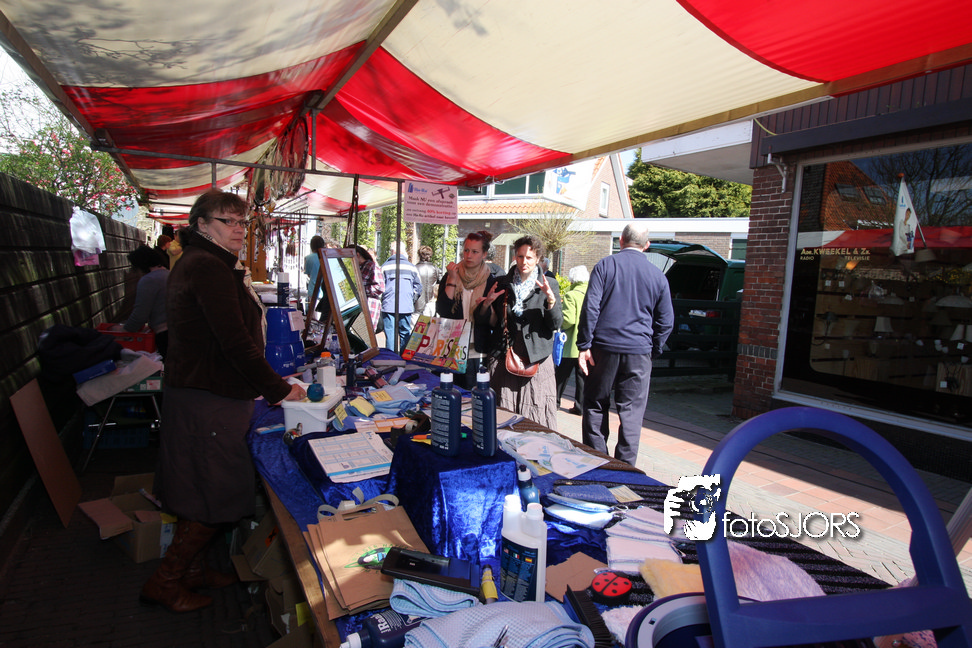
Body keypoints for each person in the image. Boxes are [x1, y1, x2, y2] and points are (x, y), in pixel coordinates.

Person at [141, 189, 305, 613]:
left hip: (206, 391)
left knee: (201, 488)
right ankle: (166, 581)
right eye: (228, 221)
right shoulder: (207, 267)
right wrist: (279, 389)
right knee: (215, 491)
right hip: (209, 396)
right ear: (202, 224)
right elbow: (234, 342)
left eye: (242, 222)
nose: (238, 229)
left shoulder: (208, 262)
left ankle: (192, 570)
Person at [577, 223, 674, 466]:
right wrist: (653, 349)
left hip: (603, 349)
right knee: (631, 414)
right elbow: (666, 321)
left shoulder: (605, 266)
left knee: (595, 404)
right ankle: (625, 469)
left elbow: (591, 307)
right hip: (639, 350)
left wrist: (584, 345)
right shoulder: (658, 276)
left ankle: (597, 462)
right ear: (647, 245)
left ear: (621, 240)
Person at [479, 235, 562, 430]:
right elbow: (491, 322)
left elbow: (555, 324)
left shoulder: (549, 284)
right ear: (515, 256)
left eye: (529, 257)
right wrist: (487, 305)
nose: (524, 262)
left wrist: (550, 301)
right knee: (502, 415)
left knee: (535, 414)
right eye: (520, 256)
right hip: (503, 356)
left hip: (536, 359)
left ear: (538, 258)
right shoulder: (501, 283)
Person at [435, 231, 498, 388]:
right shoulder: (451, 274)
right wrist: (452, 279)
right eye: (466, 250)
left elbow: (492, 321)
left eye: (475, 252)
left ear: (484, 254)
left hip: (477, 349)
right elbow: (442, 310)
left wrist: (486, 305)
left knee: (472, 393)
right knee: (450, 391)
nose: (469, 255)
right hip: (451, 346)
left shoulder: (491, 280)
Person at [120, 245, 170, 359]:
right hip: (178, 330)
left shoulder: (149, 280)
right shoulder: (169, 274)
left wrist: (124, 330)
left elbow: (140, 314)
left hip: (165, 334)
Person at [554, 265, 589, 416]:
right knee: (582, 378)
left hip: (571, 344)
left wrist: (558, 322)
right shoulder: (592, 293)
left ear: (572, 280)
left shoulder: (571, 295)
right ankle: (580, 406)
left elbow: (568, 320)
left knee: (561, 376)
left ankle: (554, 402)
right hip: (586, 344)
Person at [380, 244, 422, 352]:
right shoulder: (411, 267)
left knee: (390, 333)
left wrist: (383, 299)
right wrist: (411, 299)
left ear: (392, 252)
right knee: (405, 333)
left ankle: (391, 358)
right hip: (406, 305)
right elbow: (418, 287)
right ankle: (404, 357)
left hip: (388, 305)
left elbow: (380, 286)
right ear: (403, 252)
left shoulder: (385, 267)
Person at [354, 245, 384, 333]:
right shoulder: (359, 266)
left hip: (370, 305)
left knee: (366, 333)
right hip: (361, 305)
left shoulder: (370, 265)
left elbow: (380, 287)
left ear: (357, 255)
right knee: (359, 332)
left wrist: (362, 289)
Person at [414, 245, 441, 317]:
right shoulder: (436, 270)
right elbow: (441, 286)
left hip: (417, 306)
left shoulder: (414, 269)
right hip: (432, 305)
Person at [304, 235, 325, 312]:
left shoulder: (308, 258)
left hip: (313, 289)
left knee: (313, 313)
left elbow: (308, 274)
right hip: (325, 289)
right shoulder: (326, 257)